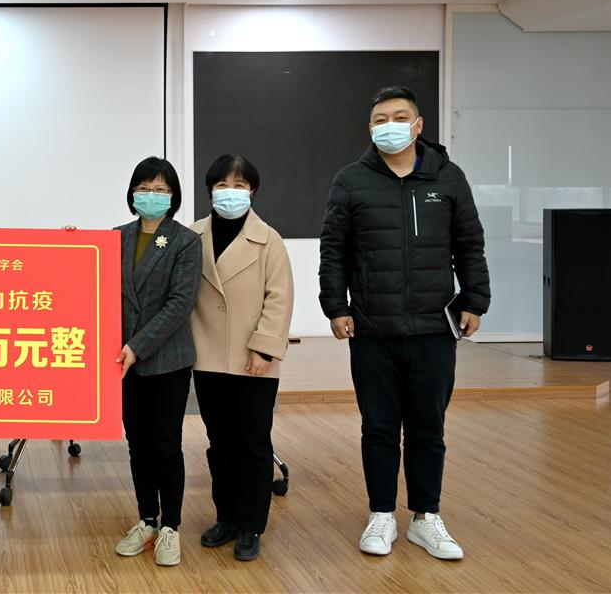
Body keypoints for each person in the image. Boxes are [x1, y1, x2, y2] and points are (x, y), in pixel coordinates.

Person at [319, 86, 490, 561]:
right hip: (372, 329)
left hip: (433, 328)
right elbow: (333, 250)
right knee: (377, 427)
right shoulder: (351, 180)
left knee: (427, 427)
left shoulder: (448, 178)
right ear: (370, 128)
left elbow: (470, 243)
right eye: (379, 120)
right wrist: (336, 307)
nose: (389, 126)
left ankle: (425, 517)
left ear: (418, 125)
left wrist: (476, 299)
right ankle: (381, 514)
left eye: (398, 117)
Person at [188, 155, 294, 563]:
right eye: (221, 184)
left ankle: (251, 524)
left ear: (252, 191)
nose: (229, 192)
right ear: (210, 190)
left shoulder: (270, 240)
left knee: (252, 443)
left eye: (239, 184)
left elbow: (279, 298)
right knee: (219, 443)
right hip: (207, 356)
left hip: (254, 361)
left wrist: (264, 349)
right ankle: (227, 517)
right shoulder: (192, 235)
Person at [112, 157, 202, 567]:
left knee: (166, 444)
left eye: (161, 189)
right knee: (138, 443)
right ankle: (147, 520)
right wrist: (72, 243)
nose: (152, 195)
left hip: (167, 359)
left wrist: (138, 345)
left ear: (173, 196)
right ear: (133, 193)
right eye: (144, 188)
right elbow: (88, 277)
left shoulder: (185, 241)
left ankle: (171, 527)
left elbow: (180, 303)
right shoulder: (117, 237)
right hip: (124, 362)